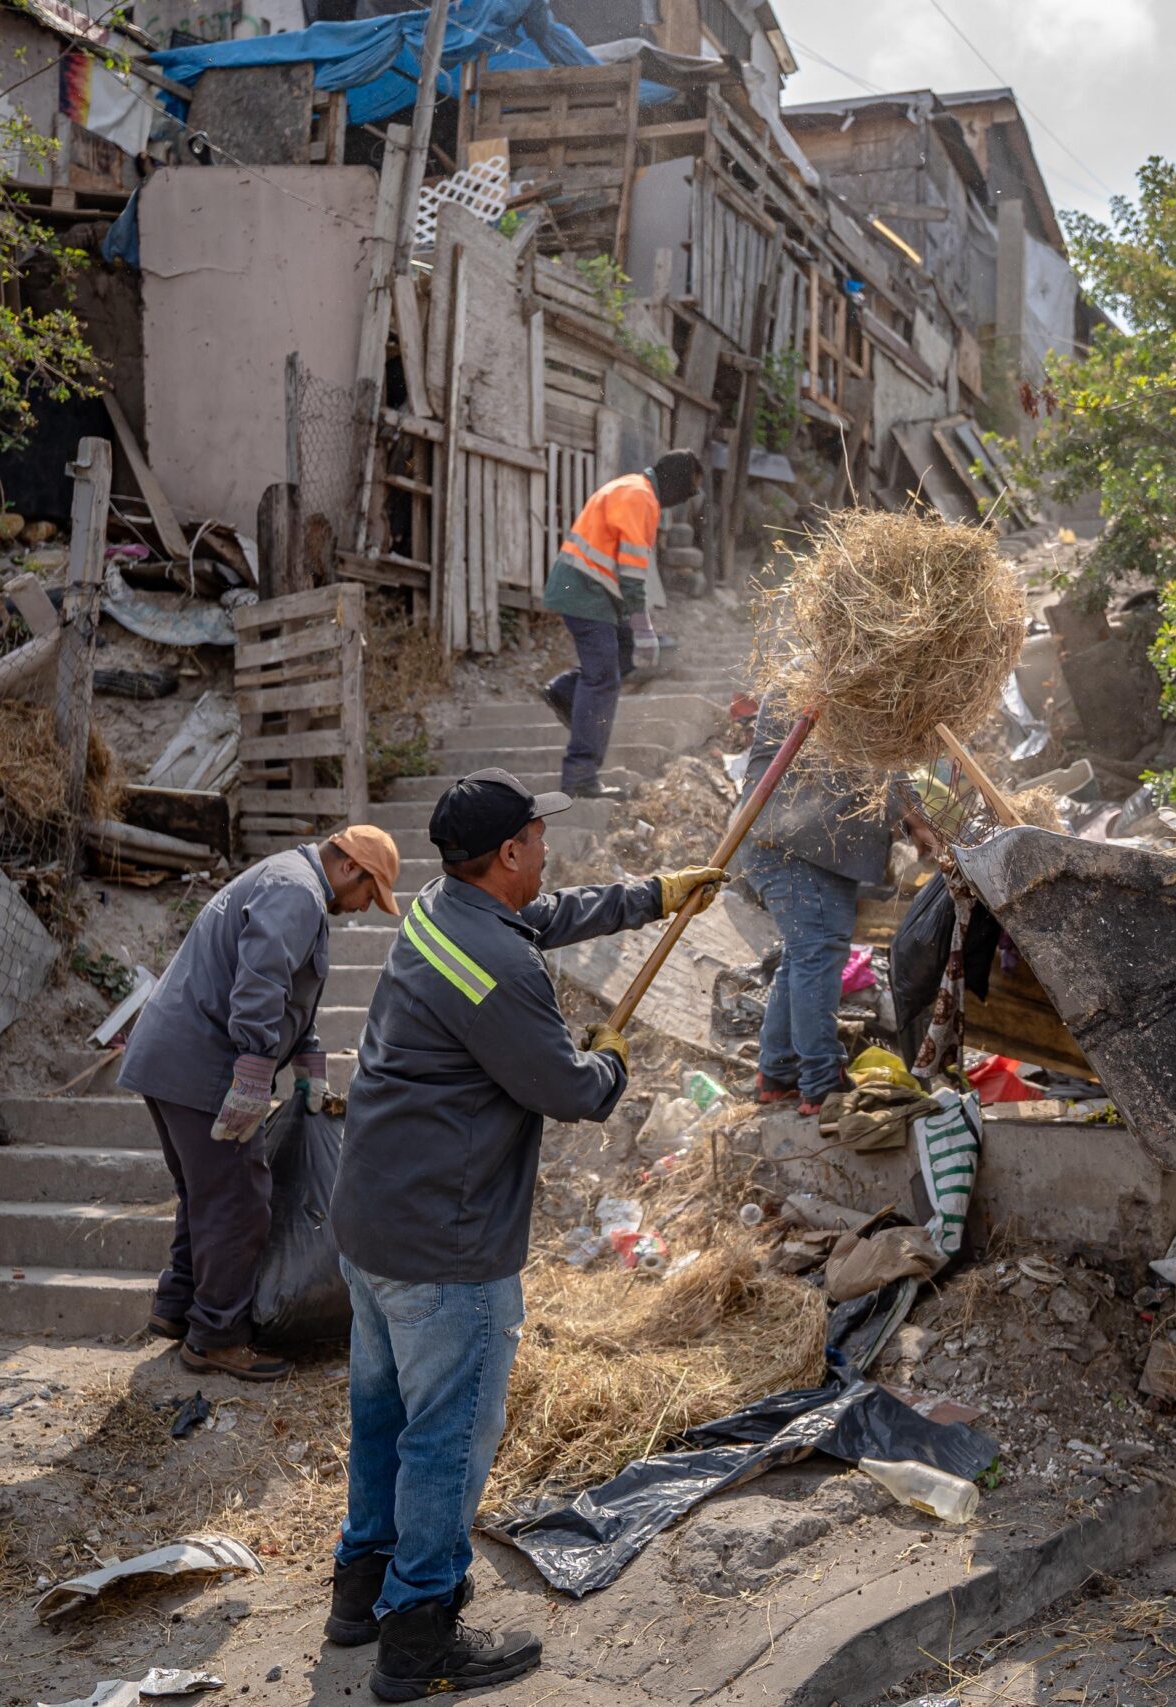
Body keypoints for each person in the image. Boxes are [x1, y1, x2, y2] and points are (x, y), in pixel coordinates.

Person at [323, 767, 724, 1698]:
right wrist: (612, 1058)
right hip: (444, 1249)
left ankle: (360, 1592)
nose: (549, 848)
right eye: (540, 838)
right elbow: (570, 1090)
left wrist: (652, 896)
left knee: (383, 1416)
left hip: (375, 1221)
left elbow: (538, 917)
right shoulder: (501, 972)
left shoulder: (440, 910)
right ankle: (418, 1638)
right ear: (508, 853)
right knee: (447, 1439)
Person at [118, 825, 401, 1381]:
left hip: (172, 1059)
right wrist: (251, 1072)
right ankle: (217, 1337)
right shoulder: (296, 891)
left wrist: (309, 1068)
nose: (366, 906)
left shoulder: (288, 880)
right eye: (370, 892)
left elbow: (292, 993)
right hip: (201, 1066)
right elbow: (261, 982)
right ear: (349, 867)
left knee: (206, 1193)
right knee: (239, 1201)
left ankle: (178, 1307)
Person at [733, 699, 909, 1117]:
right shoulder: (828, 689)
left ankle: (777, 1073)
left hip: (792, 845)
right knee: (817, 952)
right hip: (793, 848)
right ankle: (821, 1083)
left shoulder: (824, 683)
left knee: (802, 954)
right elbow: (877, 761)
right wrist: (912, 813)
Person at [540, 449, 703, 798]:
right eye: (688, 490)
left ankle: (566, 691)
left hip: (590, 590)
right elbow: (631, 572)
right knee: (602, 680)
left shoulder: (634, 490)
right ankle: (580, 776)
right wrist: (642, 626)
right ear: (675, 482)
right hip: (585, 592)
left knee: (621, 655)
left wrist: (639, 632)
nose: (686, 499)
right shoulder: (640, 498)